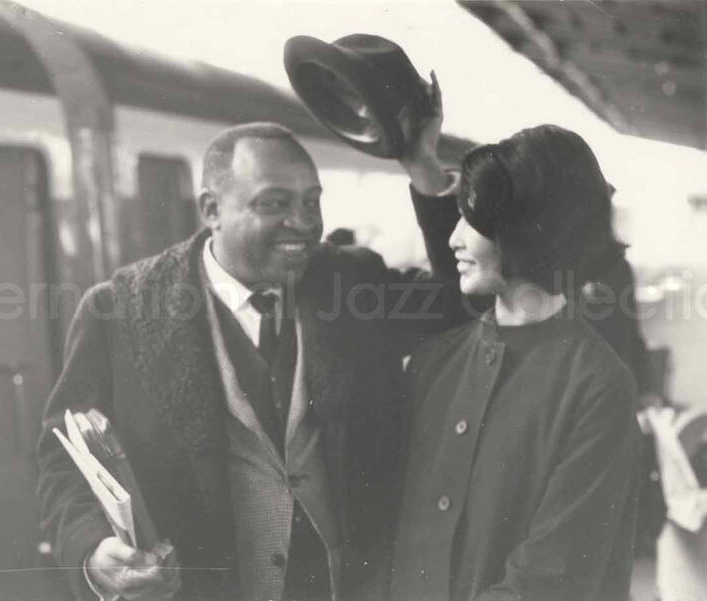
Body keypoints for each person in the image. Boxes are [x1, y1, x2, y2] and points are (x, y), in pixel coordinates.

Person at [37, 80, 469, 601]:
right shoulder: (119, 312)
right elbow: (65, 455)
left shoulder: (351, 283)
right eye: (275, 203)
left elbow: (459, 300)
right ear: (211, 209)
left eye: (312, 202)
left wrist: (422, 163)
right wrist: (91, 550)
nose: (304, 223)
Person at [390, 126, 641, 601]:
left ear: (528, 226)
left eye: (471, 219)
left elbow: (554, 575)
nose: (453, 238)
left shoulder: (597, 383)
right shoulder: (431, 362)